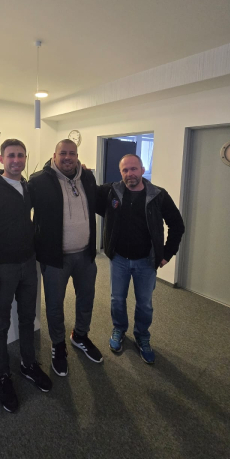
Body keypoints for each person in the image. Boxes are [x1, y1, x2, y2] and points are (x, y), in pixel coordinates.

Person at [0, 138, 52, 412]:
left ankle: (28, 364)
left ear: (25, 158)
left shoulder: (26, 187)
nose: (16, 160)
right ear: (1, 159)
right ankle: (2, 375)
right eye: (11, 156)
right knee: (0, 324)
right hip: (3, 269)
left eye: (20, 155)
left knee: (28, 318)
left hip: (28, 264)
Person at [97, 154, 185, 364]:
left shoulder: (158, 195)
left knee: (144, 304)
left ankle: (142, 336)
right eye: (125, 170)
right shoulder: (111, 192)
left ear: (142, 170)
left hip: (146, 261)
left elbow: (177, 225)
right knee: (117, 299)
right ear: (121, 173)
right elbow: (87, 190)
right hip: (119, 259)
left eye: (134, 169)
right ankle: (119, 329)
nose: (130, 174)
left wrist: (167, 254)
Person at [28, 139, 103, 377]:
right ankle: (58, 345)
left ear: (77, 156)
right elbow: (20, 209)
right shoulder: (38, 181)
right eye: (63, 153)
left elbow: (99, 203)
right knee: (54, 305)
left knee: (86, 299)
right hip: (54, 258)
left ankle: (80, 335)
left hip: (85, 255)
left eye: (72, 153)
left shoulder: (87, 177)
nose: (68, 157)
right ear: (54, 155)